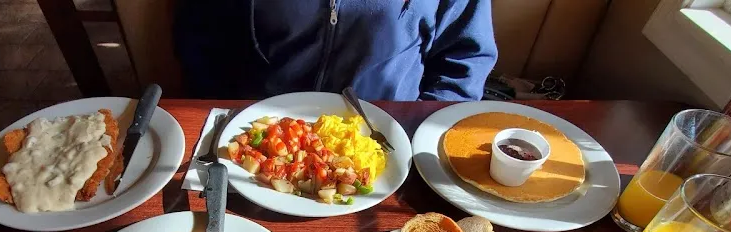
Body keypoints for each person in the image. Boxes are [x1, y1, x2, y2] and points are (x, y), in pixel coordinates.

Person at [174, 0, 497, 101]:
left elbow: (465, 57)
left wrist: (419, 134)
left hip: (388, 141)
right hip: (257, 136)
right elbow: (200, 39)